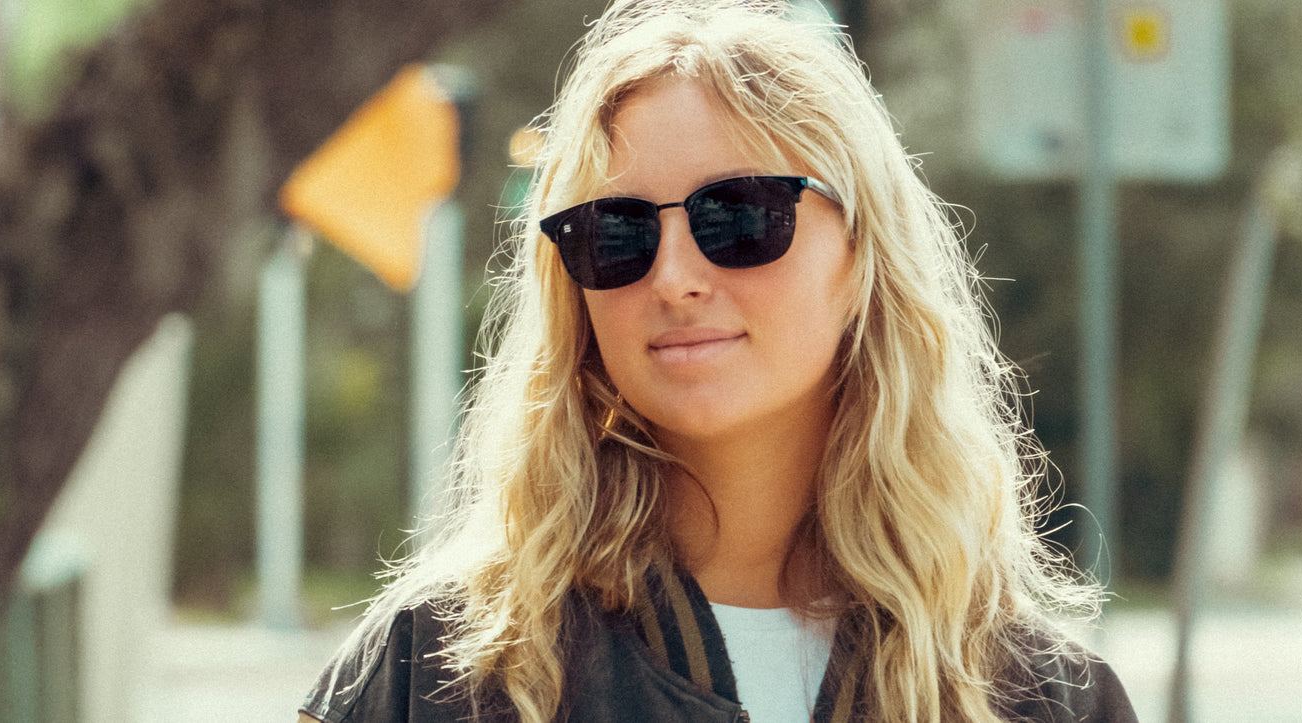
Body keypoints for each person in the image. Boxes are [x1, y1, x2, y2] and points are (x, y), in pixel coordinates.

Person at [299, 1, 1137, 721]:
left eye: (738, 216)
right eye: (616, 232)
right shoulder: (440, 670)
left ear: (861, 257)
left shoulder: (1037, 695)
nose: (673, 278)